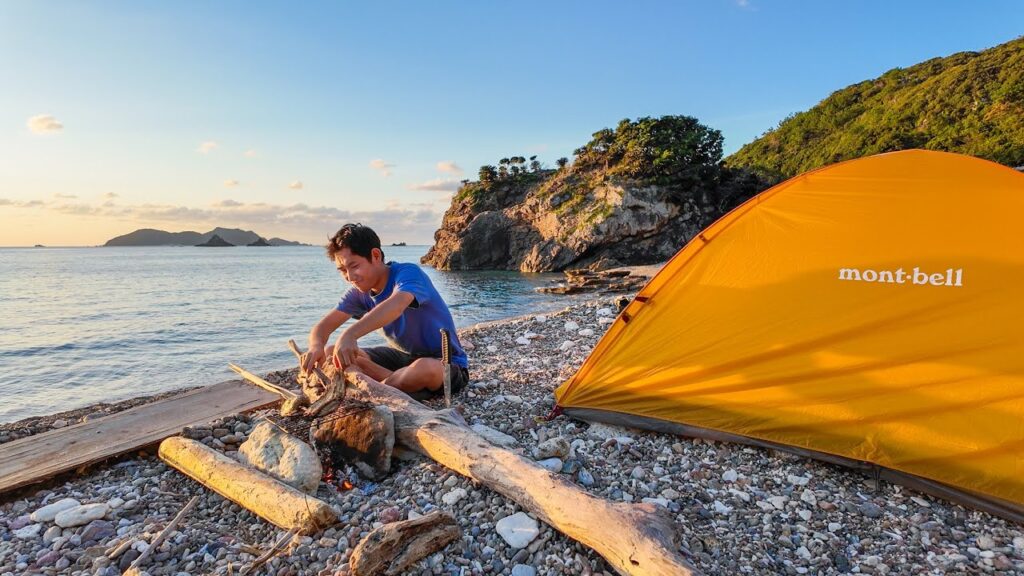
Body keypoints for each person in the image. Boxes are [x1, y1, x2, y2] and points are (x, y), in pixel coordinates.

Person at [302, 223, 469, 396]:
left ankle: (374, 388)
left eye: (354, 266)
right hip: (401, 358)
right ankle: (390, 383)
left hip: (443, 362)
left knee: (425, 368)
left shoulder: (408, 273)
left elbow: (396, 305)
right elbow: (323, 327)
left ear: (375, 255)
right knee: (332, 352)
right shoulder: (360, 292)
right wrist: (315, 347)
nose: (350, 277)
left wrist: (350, 334)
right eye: (343, 270)